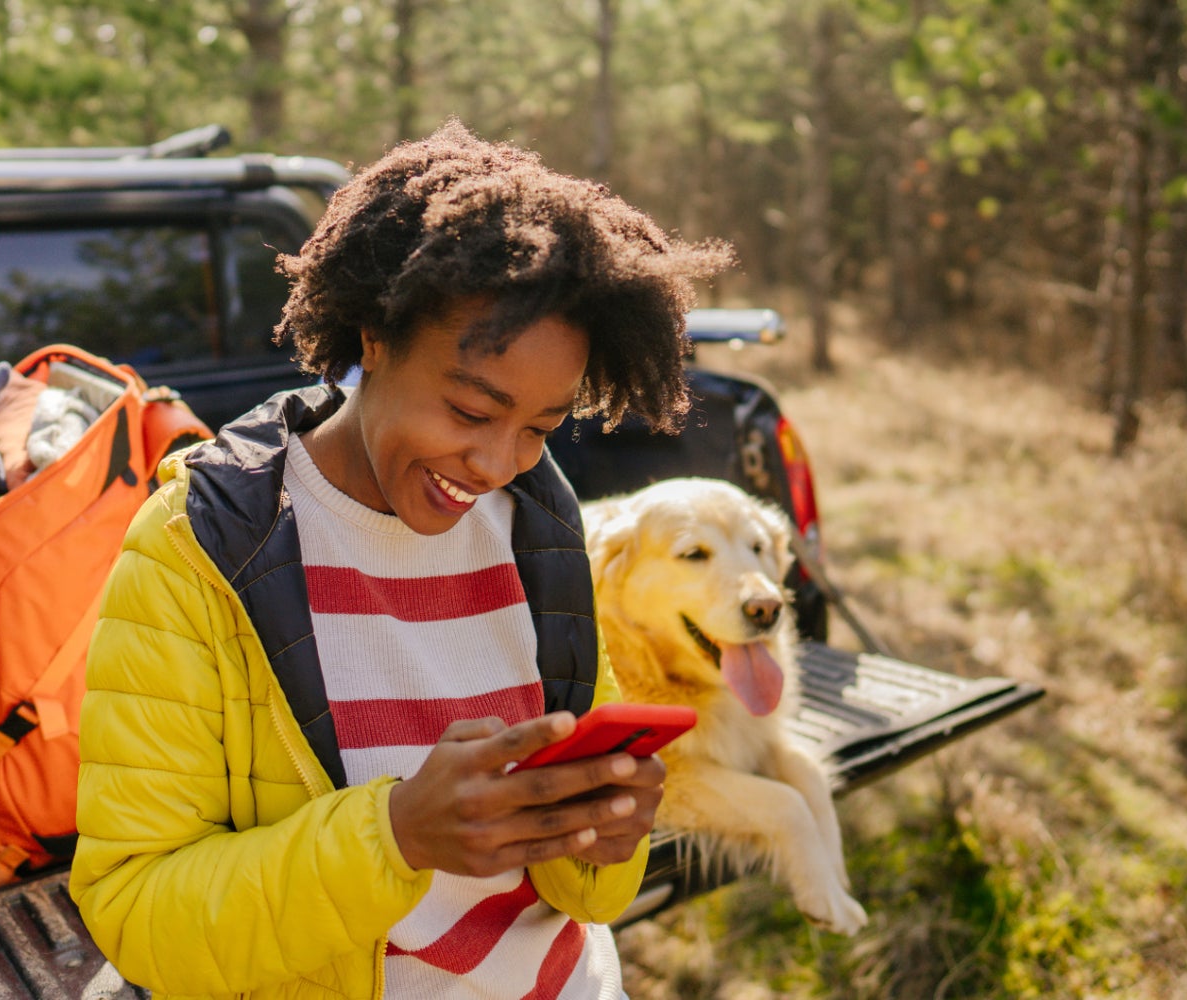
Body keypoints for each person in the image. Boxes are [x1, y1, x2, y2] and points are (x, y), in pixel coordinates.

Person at [70, 121, 732, 1000]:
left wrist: (609, 835)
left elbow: (590, 898)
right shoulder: (200, 549)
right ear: (374, 336)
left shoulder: (540, 523)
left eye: (538, 428)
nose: (495, 465)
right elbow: (139, 914)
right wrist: (397, 837)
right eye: (470, 411)